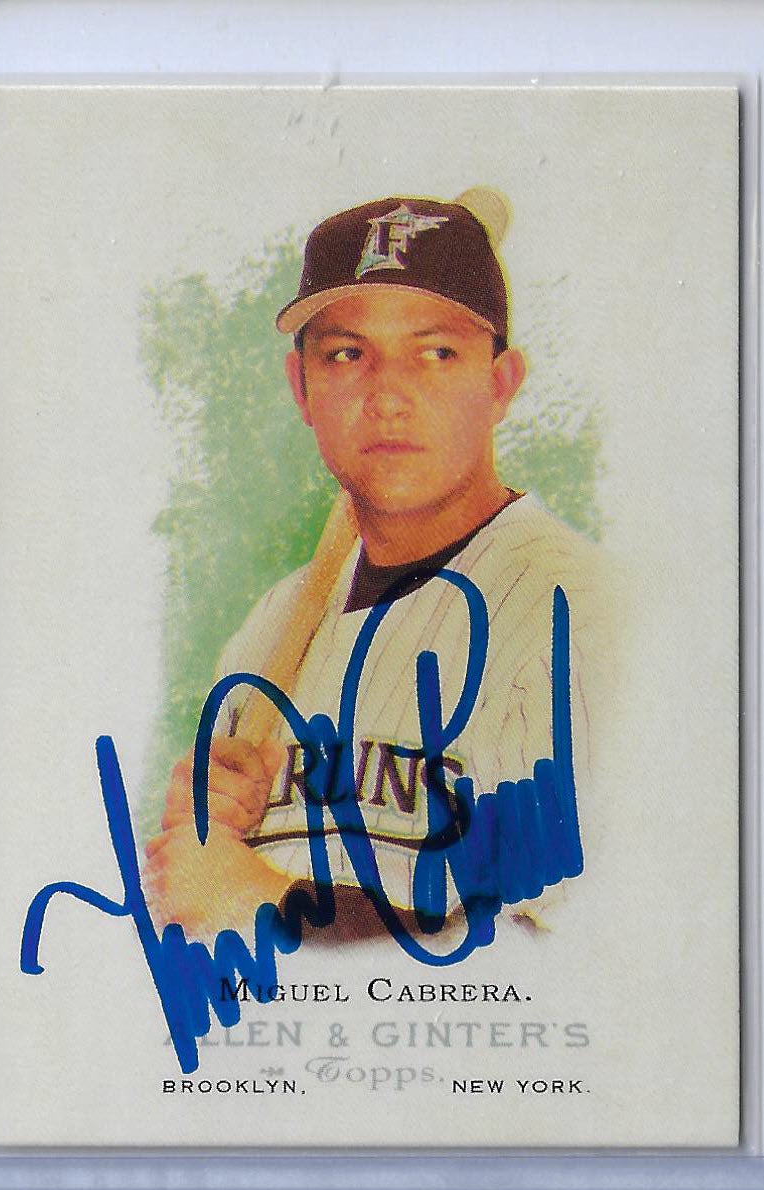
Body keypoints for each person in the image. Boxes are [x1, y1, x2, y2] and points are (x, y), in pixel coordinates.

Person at [142, 191, 606, 942]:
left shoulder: (577, 614)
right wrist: (204, 843)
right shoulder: (270, 629)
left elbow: (577, 959)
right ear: (301, 388)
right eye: (347, 355)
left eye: (436, 353)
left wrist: (270, 904)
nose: (388, 397)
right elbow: (199, 920)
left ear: (501, 385)